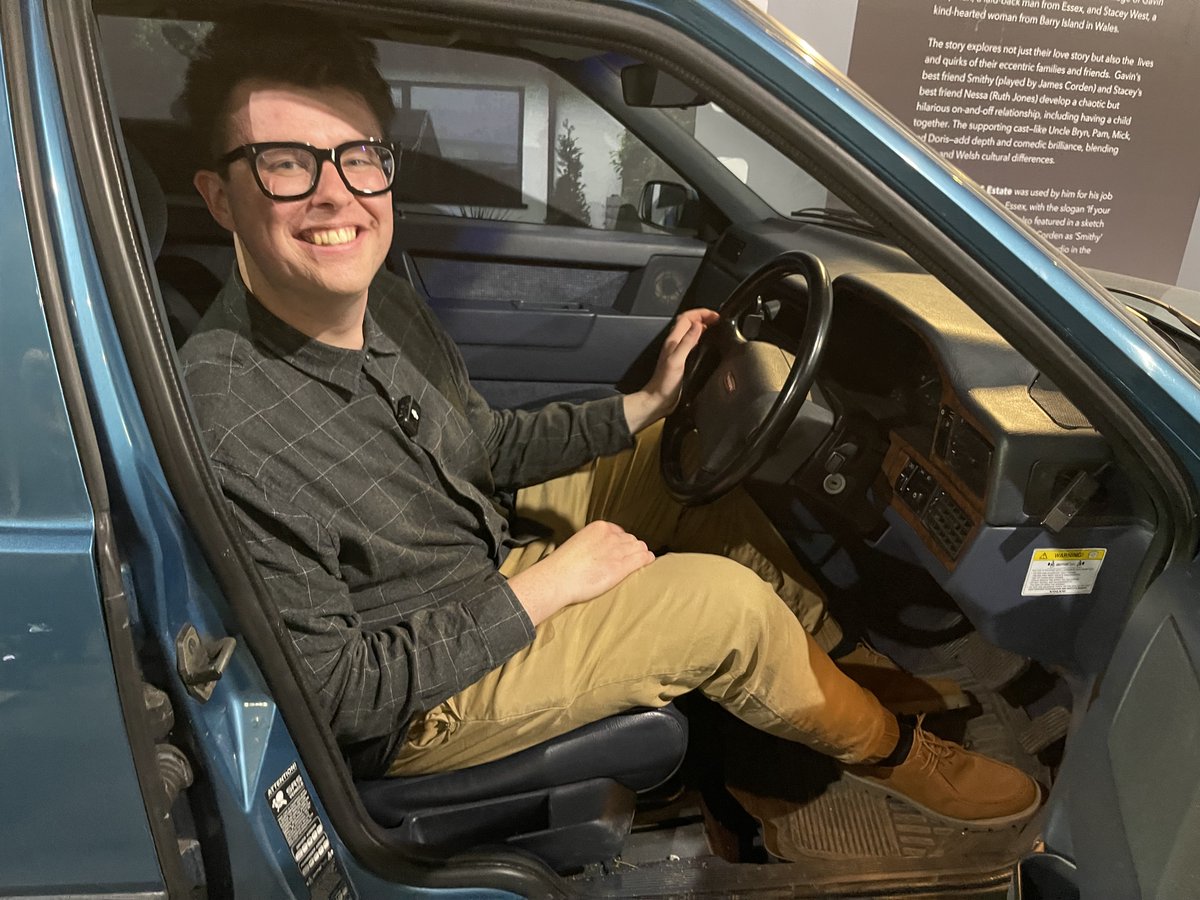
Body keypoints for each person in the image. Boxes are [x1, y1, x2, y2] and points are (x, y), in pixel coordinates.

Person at [176, 16, 1040, 831]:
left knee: (673, 453)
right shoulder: (228, 419)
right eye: (285, 163)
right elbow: (338, 693)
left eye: (358, 157)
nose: (337, 196)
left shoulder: (386, 305)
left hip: (474, 563)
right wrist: (548, 585)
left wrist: (647, 403)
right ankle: (892, 754)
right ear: (220, 196)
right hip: (422, 699)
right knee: (722, 607)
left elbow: (480, 447)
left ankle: (845, 667)